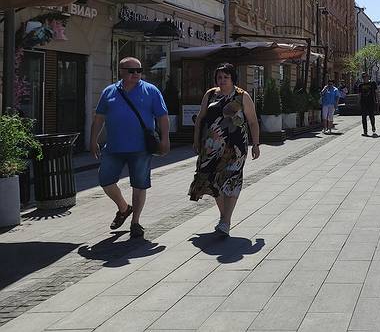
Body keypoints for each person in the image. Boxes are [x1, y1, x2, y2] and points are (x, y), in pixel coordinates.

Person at [90, 57, 170, 238]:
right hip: (114, 147)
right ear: (121, 71)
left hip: (141, 148)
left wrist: (165, 139)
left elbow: (162, 117)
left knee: (139, 184)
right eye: (131, 70)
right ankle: (124, 208)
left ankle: (135, 222)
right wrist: (93, 140)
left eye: (139, 70)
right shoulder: (109, 91)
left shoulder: (151, 90)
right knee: (105, 180)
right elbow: (99, 118)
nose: (136, 74)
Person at [189, 63, 260, 236]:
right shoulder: (210, 94)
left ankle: (225, 221)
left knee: (232, 180)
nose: (222, 80)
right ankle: (224, 218)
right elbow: (200, 118)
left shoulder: (242, 96)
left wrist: (256, 144)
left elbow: (252, 121)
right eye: (219, 77)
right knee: (214, 182)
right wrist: (196, 139)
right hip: (211, 146)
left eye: (226, 77)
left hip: (236, 147)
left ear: (232, 78)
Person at [358, 72, 378, 137]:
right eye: (364, 77)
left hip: (371, 102)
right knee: (364, 117)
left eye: (366, 77)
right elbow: (360, 94)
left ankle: (373, 127)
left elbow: (376, 92)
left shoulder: (372, 84)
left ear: (368, 77)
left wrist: (377, 100)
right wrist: (359, 101)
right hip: (363, 102)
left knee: (371, 116)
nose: (365, 78)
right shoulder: (360, 85)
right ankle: (365, 131)